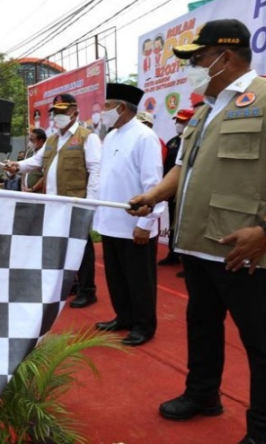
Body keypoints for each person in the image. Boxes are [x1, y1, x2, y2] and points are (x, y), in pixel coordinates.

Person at [128, 19, 266, 444]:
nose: (192, 69)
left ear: (226, 56)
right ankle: (202, 395)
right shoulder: (205, 110)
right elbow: (184, 168)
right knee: (202, 327)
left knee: (261, 344)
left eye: (197, 59)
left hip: (244, 249)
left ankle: (265, 432)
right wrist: (155, 194)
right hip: (198, 245)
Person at [6, 93, 102, 309]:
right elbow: (36, 162)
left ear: (75, 112)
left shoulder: (88, 137)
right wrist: (18, 166)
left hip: (76, 203)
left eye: (62, 112)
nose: (57, 116)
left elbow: (95, 170)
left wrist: (90, 204)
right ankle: (72, 284)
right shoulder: (52, 139)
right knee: (61, 246)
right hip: (54, 205)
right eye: (55, 112)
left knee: (82, 247)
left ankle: (88, 290)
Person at [92, 84, 165, 347]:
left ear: (122, 107)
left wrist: (146, 223)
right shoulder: (111, 136)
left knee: (139, 280)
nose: (103, 111)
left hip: (135, 224)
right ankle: (123, 317)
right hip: (110, 222)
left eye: (108, 105)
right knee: (117, 277)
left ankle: (144, 326)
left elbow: (154, 185)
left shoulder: (144, 137)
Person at [158, 108, 195, 266]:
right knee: (173, 222)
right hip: (172, 190)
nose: (179, 124)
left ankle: (189, 260)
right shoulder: (172, 142)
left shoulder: (194, 140)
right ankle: (173, 254)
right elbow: (165, 165)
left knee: (187, 224)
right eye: (177, 121)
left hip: (188, 191)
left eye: (182, 121)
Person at [22, 128, 46, 193]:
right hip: (25, 192)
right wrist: (22, 186)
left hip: (38, 194)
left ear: (40, 141)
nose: (30, 142)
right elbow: (24, 169)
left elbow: (45, 176)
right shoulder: (29, 152)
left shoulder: (46, 154)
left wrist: (32, 189)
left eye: (32, 140)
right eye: (29, 139)